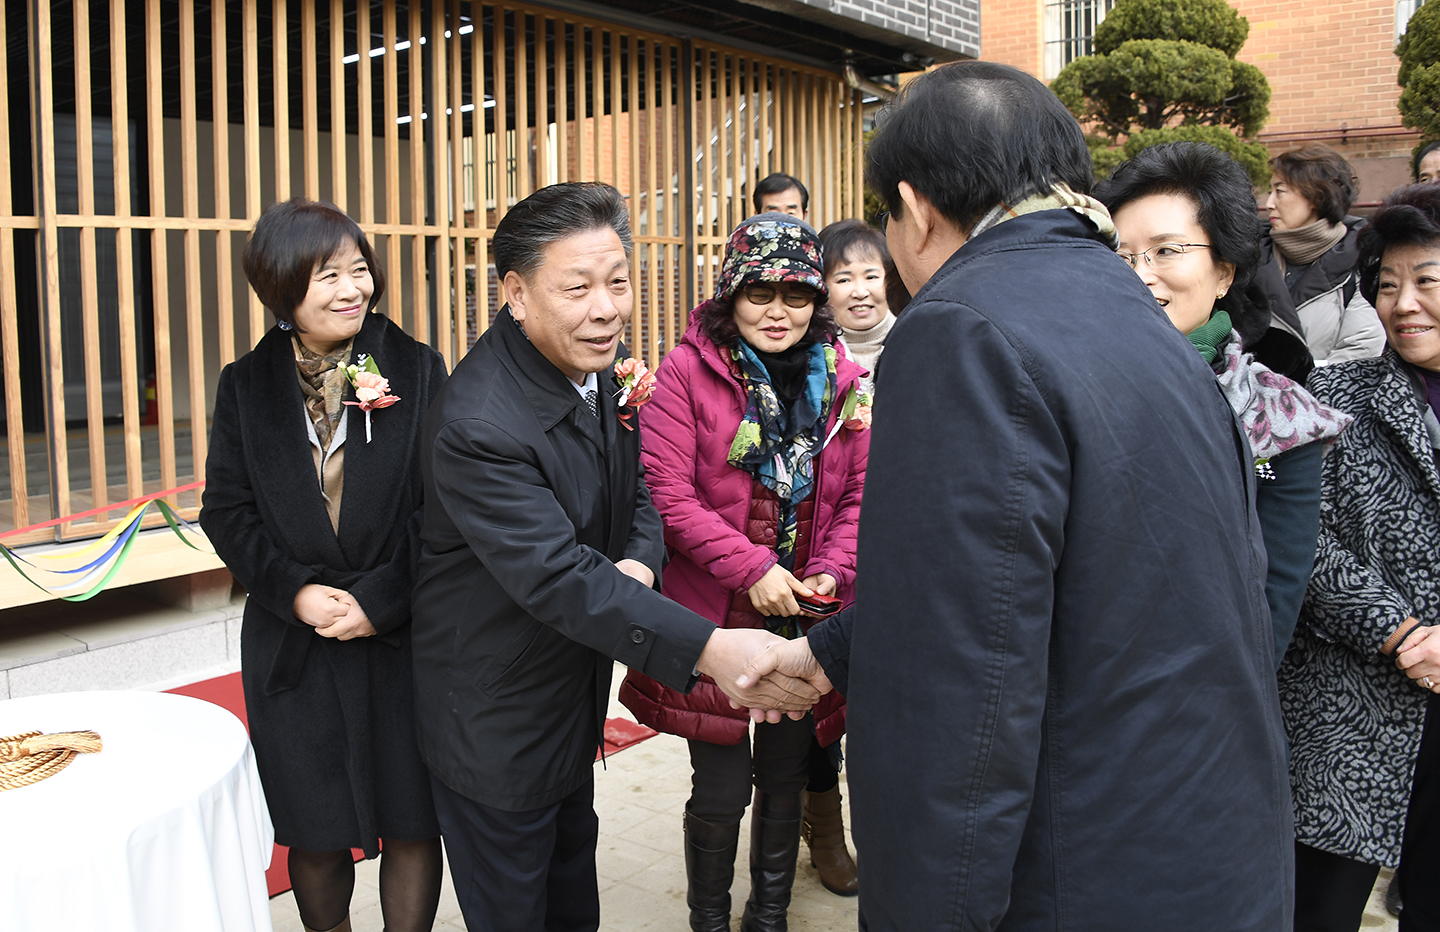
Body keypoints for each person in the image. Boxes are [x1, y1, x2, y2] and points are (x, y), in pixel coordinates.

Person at [735, 60, 1293, 931]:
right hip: (1208, 851)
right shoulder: (1133, 309)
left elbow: (959, 683)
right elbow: (1056, 578)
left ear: (915, 208)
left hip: (1080, 870)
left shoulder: (962, 329)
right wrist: (831, 653)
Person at [409, 182, 820, 932]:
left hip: (567, 690)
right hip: (496, 715)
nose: (607, 309)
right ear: (516, 293)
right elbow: (557, 574)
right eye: (578, 288)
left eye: (618, 282)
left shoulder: (601, 364)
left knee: (574, 903)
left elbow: (647, 489)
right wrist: (710, 648)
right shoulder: (477, 423)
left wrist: (635, 563)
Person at [200, 198, 448, 932]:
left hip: (398, 635)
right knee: (313, 827)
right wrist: (296, 591)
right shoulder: (245, 386)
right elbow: (226, 509)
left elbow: (445, 505)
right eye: (327, 276)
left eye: (359, 270)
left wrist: (381, 599)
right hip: (294, 643)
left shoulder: (416, 366)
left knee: (412, 818)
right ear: (281, 288)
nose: (352, 289)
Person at [617, 212, 869, 929]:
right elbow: (666, 491)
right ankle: (706, 919)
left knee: (787, 777)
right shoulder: (685, 370)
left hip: (803, 617)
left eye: (797, 295)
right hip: (712, 614)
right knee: (721, 785)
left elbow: (856, 493)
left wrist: (829, 572)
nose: (778, 310)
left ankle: (769, 914)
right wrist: (752, 566)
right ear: (731, 293)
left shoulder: (844, 377)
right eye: (761, 292)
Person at [1097, 142, 1351, 667]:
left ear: (1224, 273)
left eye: (1167, 251)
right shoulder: (1068, 385)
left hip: (1209, 690)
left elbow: (1275, 590)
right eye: (1121, 256)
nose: (1140, 274)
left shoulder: (1277, 418)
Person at [1281, 182, 1440, 932]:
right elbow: (1295, 534)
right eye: (1386, 284)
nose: (1404, 303)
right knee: (1318, 908)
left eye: (1427, 282)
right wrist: (1400, 629)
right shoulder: (1331, 394)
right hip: (1350, 703)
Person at [1258, 143, 1385, 365]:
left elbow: (1360, 351)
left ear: (1317, 196)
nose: (1268, 204)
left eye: (1279, 191)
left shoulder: (1364, 261)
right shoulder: (1249, 259)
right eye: (1270, 192)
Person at [821, 218, 894, 396]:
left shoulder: (914, 339)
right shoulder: (813, 356)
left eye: (871, 277)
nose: (860, 292)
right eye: (844, 280)